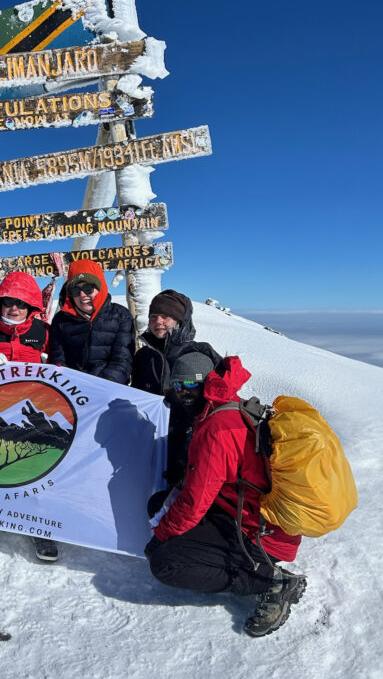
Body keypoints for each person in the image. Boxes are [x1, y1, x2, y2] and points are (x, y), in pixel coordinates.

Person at [145, 356, 306, 638]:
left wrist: (162, 535)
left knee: (165, 563)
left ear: (207, 384)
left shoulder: (217, 428)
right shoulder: (225, 406)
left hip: (261, 535)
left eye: (190, 385)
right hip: (244, 512)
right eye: (177, 385)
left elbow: (194, 504)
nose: (183, 393)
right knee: (159, 504)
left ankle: (270, 582)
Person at [0, 271, 58, 562]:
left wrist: (49, 366)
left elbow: (60, 371)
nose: (13, 308)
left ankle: (40, 527)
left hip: (30, 413)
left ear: (31, 306)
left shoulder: (43, 333)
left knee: (36, 469)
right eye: (7, 302)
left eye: (20, 303)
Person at [131, 289, 223, 486]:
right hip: (152, 446)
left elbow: (219, 402)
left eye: (166, 316)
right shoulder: (144, 357)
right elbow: (137, 400)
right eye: (153, 316)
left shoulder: (199, 354)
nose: (158, 321)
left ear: (180, 320)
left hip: (192, 450)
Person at [47, 259, 134, 384]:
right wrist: (69, 386)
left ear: (100, 287)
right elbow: (58, 360)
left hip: (109, 388)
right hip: (72, 388)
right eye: (75, 291)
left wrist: (99, 387)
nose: (82, 295)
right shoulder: (61, 320)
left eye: (88, 288)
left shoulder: (121, 316)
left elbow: (122, 361)